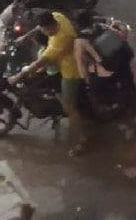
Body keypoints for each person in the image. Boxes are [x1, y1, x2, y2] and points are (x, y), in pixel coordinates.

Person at [8, 11, 87, 155]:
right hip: (59, 61)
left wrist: (18, 76)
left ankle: (83, 140)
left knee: (69, 107)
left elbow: (40, 62)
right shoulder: (57, 16)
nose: (44, 32)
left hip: (70, 67)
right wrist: (25, 37)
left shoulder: (60, 40)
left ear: (51, 26)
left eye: (46, 30)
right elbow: (39, 28)